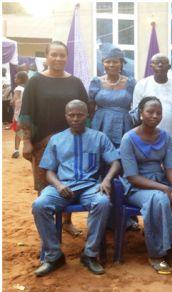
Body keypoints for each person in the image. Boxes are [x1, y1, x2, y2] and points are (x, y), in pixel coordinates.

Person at [32, 100, 121, 276]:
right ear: (66, 116)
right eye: (71, 115)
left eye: (79, 114)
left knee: (102, 202)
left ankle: (89, 254)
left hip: (90, 186)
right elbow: (49, 172)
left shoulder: (99, 137)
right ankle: (54, 255)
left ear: (87, 115)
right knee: (39, 205)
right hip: (63, 186)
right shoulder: (57, 139)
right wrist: (58, 185)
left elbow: (115, 163)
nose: (75, 118)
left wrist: (107, 180)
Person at [20, 40, 89, 237]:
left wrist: (85, 138)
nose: (58, 59)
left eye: (62, 55)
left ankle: (67, 222)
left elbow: (86, 111)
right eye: (54, 55)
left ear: (67, 58)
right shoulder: (35, 82)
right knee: (44, 185)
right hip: (43, 143)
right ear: (47, 56)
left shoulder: (75, 82)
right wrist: (26, 141)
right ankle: (47, 227)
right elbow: (25, 114)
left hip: (72, 143)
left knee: (70, 181)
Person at [120, 96, 172, 275]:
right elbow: (132, 176)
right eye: (150, 112)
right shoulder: (128, 138)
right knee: (160, 199)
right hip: (138, 186)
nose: (154, 116)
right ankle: (157, 254)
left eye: (158, 113)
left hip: (161, 180)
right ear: (140, 113)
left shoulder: (165, 136)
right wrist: (165, 188)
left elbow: (170, 167)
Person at [88, 46, 135, 148]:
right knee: (100, 153)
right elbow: (91, 109)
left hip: (124, 125)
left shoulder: (130, 83)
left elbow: (136, 107)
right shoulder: (96, 82)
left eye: (115, 62)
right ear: (103, 63)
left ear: (121, 63)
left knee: (122, 153)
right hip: (100, 124)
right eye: (107, 62)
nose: (111, 65)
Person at [132, 53, 172, 150]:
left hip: (171, 137)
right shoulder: (142, 85)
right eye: (157, 63)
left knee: (171, 164)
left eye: (163, 63)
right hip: (146, 138)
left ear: (169, 67)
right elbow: (136, 113)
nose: (160, 65)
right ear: (151, 66)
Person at [10, 71, 29, 158]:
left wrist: (12, 103)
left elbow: (14, 101)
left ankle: (16, 150)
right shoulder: (27, 88)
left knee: (18, 132)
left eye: (16, 78)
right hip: (27, 113)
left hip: (19, 113)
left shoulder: (18, 88)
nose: (14, 79)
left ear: (20, 79)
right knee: (26, 131)